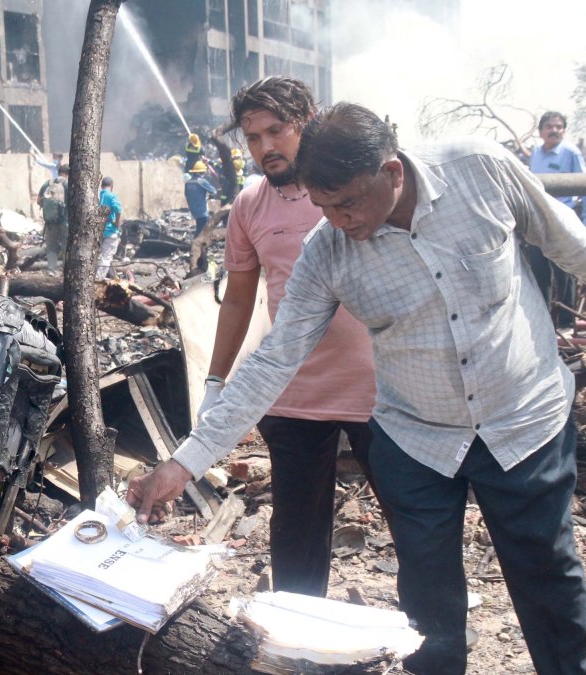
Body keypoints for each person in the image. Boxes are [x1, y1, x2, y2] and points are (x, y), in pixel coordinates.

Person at [129, 103, 586, 675]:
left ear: (392, 172)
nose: (338, 221)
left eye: (348, 203)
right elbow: (274, 361)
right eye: (324, 207)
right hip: (417, 438)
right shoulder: (327, 251)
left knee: (547, 572)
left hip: (523, 416)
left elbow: (562, 235)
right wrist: (184, 464)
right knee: (427, 597)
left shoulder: (478, 169)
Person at [199, 77, 378, 597]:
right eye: (253, 137)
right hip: (294, 393)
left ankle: (426, 635)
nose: (265, 147)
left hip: (379, 390)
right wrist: (214, 381)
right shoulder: (249, 205)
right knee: (297, 534)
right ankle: (299, 633)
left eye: (277, 131)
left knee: (413, 519)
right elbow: (238, 300)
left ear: (307, 122)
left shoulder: (352, 187)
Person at [528, 111, 586, 328]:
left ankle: (567, 324)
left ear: (564, 131)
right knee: (540, 273)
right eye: (549, 126)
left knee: (565, 273)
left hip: (563, 220)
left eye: (559, 127)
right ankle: (544, 323)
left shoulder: (571, 153)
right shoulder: (536, 154)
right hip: (538, 221)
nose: (554, 130)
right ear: (541, 132)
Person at [36, 164, 70, 274]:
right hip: (65, 222)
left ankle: (51, 270)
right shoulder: (68, 184)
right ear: (68, 174)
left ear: (59, 172)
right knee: (66, 247)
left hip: (50, 222)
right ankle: (66, 271)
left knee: (51, 247)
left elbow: (38, 201)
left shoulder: (48, 183)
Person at [96, 176, 122, 279]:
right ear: (112, 186)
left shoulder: (96, 196)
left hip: (97, 231)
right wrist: (117, 223)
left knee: (100, 256)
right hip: (110, 230)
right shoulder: (112, 196)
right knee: (106, 257)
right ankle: (98, 279)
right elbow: (118, 210)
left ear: (101, 186)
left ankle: (114, 276)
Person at [183, 162, 217, 236]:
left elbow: (186, 194)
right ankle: (195, 241)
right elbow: (214, 191)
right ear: (200, 172)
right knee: (202, 230)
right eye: (203, 172)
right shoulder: (201, 181)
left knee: (200, 226)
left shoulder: (188, 183)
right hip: (202, 211)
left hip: (193, 211)